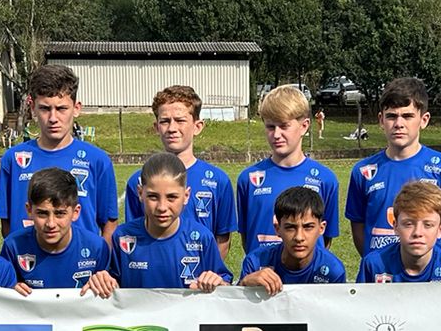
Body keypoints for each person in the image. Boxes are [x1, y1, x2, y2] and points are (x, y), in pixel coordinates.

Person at [0, 64, 117, 242]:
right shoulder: (13, 159)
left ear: (76, 108)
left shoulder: (98, 160)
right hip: (27, 264)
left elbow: (109, 224)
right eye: (45, 108)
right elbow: (7, 225)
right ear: (33, 108)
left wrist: (99, 261)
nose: (53, 118)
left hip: (82, 265)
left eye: (61, 109)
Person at [346, 76, 441, 254]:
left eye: (407, 116)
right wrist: (376, 261)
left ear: (424, 120)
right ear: (381, 120)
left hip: (425, 271)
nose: (399, 124)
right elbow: (358, 226)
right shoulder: (362, 172)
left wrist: (425, 256)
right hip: (380, 273)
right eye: (391, 116)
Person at [123, 86, 237, 262]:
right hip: (154, 278)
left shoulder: (218, 180)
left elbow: (222, 239)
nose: (172, 128)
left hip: (200, 283)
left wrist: (209, 272)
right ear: (156, 127)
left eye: (180, 120)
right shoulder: (137, 181)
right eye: (165, 121)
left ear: (197, 126)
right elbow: (135, 235)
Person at [101, 152, 230, 292]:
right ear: (140, 193)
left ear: (186, 196)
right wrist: (103, 280)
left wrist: (217, 282)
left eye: (172, 197)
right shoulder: (123, 236)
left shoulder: (202, 238)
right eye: (153, 197)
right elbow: (113, 283)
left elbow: (224, 285)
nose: (162, 207)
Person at [235, 85, 340, 257]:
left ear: (304, 126)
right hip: (262, 275)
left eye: (284, 126)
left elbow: (325, 238)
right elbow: (247, 237)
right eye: (270, 127)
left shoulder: (325, 179)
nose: (276, 134)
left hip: (307, 279)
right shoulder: (248, 179)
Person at [0, 168, 110, 294]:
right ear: (29, 210)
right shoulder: (13, 246)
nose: (51, 223)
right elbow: (3, 300)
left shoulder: (97, 247)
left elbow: (112, 300)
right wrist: (11, 290)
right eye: (42, 213)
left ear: (75, 212)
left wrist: (106, 283)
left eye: (60, 213)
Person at [356, 182, 441, 283]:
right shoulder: (374, 264)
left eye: (428, 225)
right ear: (395, 226)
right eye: (408, 224)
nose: (417, 233)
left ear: (440, 229)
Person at [239, 185, 347, 291]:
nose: (299, 237)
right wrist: (244, 283)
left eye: (308, 227)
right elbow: (236, 305)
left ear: (321, 228)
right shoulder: (255, 262)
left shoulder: (333, 270)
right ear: (277, 229)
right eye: (290, 227)